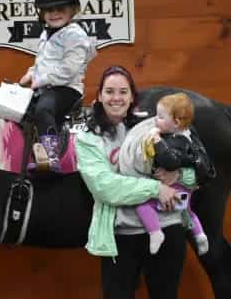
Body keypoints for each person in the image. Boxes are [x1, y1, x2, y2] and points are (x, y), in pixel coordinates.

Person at [75, 65, 192, 299]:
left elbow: (194, 171)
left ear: (132, 97)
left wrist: (178, 176)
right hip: (122, 237)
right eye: (109, 91)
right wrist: (156, 188)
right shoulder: (88, 139)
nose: (116, 98)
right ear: (99, 97)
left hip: (169, 227)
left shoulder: (156, 126)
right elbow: (105, 187)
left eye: (122, 91)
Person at [119, 92, 215, 255]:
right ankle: (199, 235)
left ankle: (155, 233)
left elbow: (171, 162)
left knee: (143, 206)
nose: (155, 120)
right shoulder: (184, 136)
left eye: (160, 117)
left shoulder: (177, 141)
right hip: (184, 189)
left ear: (176, 122)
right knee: (187, 212)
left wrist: (157, 142)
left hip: (176, 188)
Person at [19, 0, 96, 172]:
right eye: (48, 10)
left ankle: (51, 156)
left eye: (60, 9)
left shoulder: (75, 35)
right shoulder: (46, 33)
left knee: (44, 109)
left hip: (67, 89)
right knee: (22, 110)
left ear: (73, 9)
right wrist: (30, 74)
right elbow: (43, 62)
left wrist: (39, 80)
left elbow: (69, 69)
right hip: (47, 87)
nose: (54, 14)